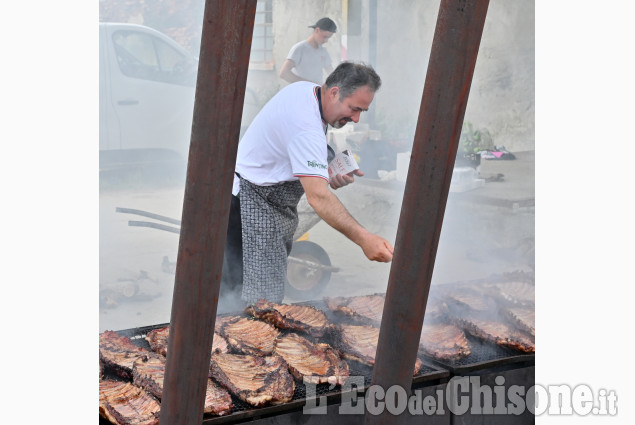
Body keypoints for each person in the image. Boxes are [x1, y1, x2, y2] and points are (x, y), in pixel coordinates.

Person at [221, 61, 394, 306]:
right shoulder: (305, 127)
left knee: (262, 296)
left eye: (361, 112)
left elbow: (299, 148)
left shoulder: (307, 91)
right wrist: (365, 239)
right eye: (354, 108)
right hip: (246, 206)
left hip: (265, 200)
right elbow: (319, 197)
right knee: (246, 301)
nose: (355, 118)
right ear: (334, 92)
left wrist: (329, 168)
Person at [279, 17, 337, 85]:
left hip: (316, 92)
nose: (326, 41)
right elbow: (284, 73)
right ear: (317, 30)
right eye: (325, 37)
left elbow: (331, 73)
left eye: (328, 38)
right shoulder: (299, 48)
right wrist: (310, 84)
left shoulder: (323, 51)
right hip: (301, 91)